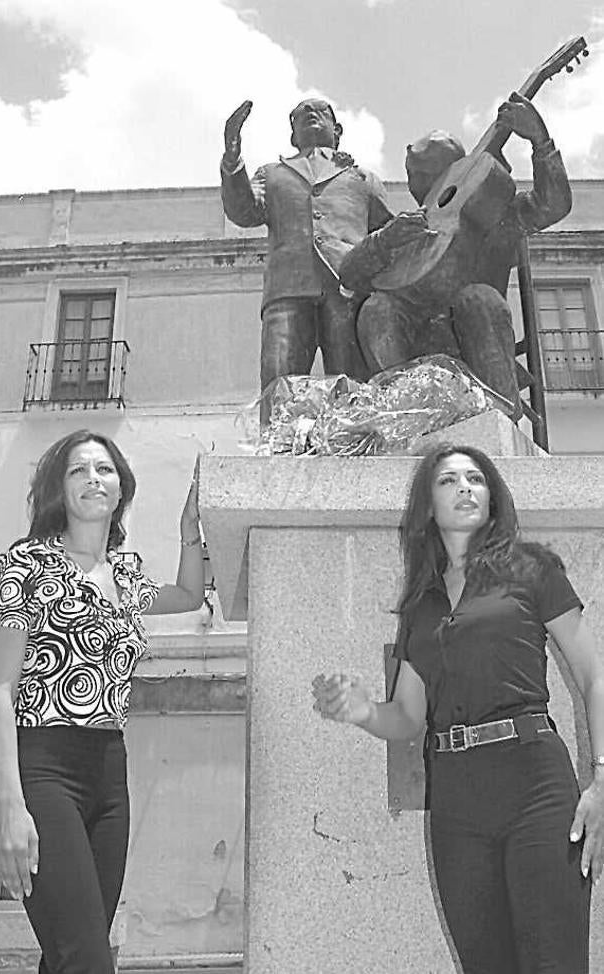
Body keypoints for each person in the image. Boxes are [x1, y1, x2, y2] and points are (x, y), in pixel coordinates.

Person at [314, 443, 604, 974]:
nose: (465, 487)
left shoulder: (532, 569)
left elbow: (593, 674)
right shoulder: (422, 606)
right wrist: (361, 712)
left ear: (493, 498)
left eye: (476, 478)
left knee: (554, 962)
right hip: (457, 801)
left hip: (535, 783)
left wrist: (602, 781)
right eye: (449, 481)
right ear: (429, 506)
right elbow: (406, 716)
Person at [0, 430, 205, 974]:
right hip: (44, 770)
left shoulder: (125, 575)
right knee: (86, 959)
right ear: (59, 488)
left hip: (110, 774)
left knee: (71, 955)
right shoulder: (25, 566)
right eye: (78, 470)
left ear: (120, 487)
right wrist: (10, 807)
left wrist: (188, 530)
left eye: (104, 470)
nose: (92, 479)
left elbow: (189, 594)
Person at [338, 93, 573, 420]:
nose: (416, 182)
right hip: (412, 351)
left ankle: (498, 416)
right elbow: (348, 274)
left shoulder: (492, 218)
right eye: (414, 174)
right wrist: (382, 241)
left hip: (473, 340)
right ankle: (403, 415)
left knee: (479, 298)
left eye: (423, 173)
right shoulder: (404, 229)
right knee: (378, 307)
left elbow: (553, 205)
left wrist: (540, 141)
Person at [220, 97, 393, 419]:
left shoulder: (363, 178)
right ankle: (277, 451)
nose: (310, 114)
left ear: (337, 129)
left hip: (347, 288)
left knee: (352, 384)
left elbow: (388, 235)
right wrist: (232, 161)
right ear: (292, 136)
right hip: (288, 286)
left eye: (321, 112)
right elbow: (243, 211)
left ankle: (354, 447)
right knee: (279, 379)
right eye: (301, 115)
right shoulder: (271, 174)